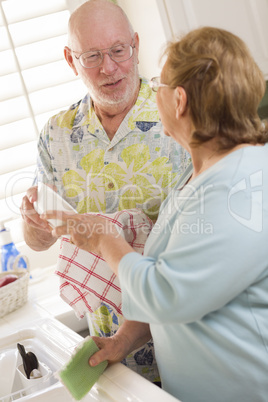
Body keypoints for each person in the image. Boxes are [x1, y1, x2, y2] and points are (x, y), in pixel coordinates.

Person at [44, 26, 268, 401]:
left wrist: (104, 238)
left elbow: (166, 294)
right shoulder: (197, 175)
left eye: (157, 87)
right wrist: (125, 340)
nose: (151, 95)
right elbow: (177, 280)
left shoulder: (239, 188)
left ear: (178, 100)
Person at [20, 0, 189, 384]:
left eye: (117, 51)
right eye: (92, 56)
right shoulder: (56, 135)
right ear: (70, 59)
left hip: (180, 344)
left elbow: (195, 253)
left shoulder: (179, 117)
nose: (108, 68)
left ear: (136, 44)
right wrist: (36, 226)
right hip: (110, 355)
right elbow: (39, 238)